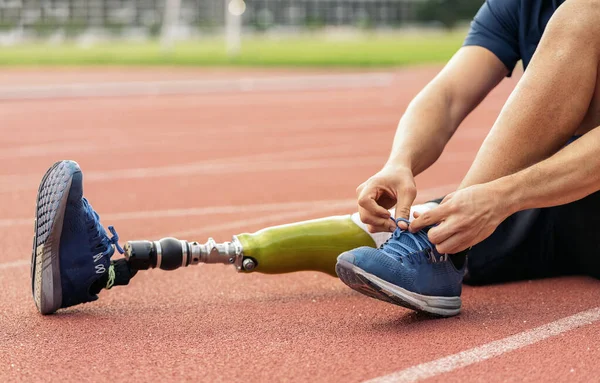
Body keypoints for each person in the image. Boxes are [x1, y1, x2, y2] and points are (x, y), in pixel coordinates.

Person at [31, 0, 600, 316]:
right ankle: (116, 262)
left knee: (584, 14)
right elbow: (449, 95)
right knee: (396, 234)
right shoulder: (518, 2)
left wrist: (501, 195)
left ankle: (433, 251)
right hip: (559, 198)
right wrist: (400, 161)